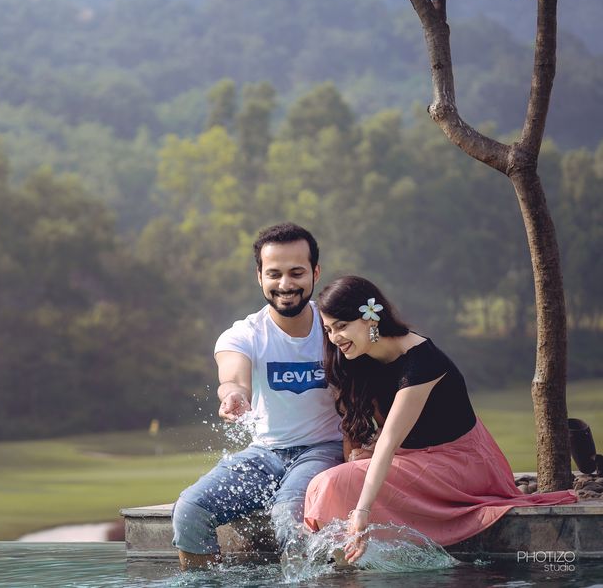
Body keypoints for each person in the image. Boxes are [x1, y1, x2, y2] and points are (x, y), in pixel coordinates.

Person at [303, 276, 578, 564]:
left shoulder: (421, 361)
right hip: (413, 458)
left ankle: (346, 562)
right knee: (332, 481)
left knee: (331, 483)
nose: (335, 338)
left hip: (461, 464)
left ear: (370, 318)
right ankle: (344, 561)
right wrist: (359, 458)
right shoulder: (358, 358)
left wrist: (362, 511)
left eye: (342, 327)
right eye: (329, 329)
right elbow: (361, 428)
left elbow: (388, 442)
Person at [172, 223, 345, 570]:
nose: (285, 284)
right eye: (274, 274)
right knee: (190, 510)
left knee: (287, 513)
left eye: (296, 272)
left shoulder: (335, 329)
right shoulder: (244, 333)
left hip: (325, 449)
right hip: (264, 454)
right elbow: (233, 376)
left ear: (315, 272)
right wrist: (234, 394)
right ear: (259, 276)